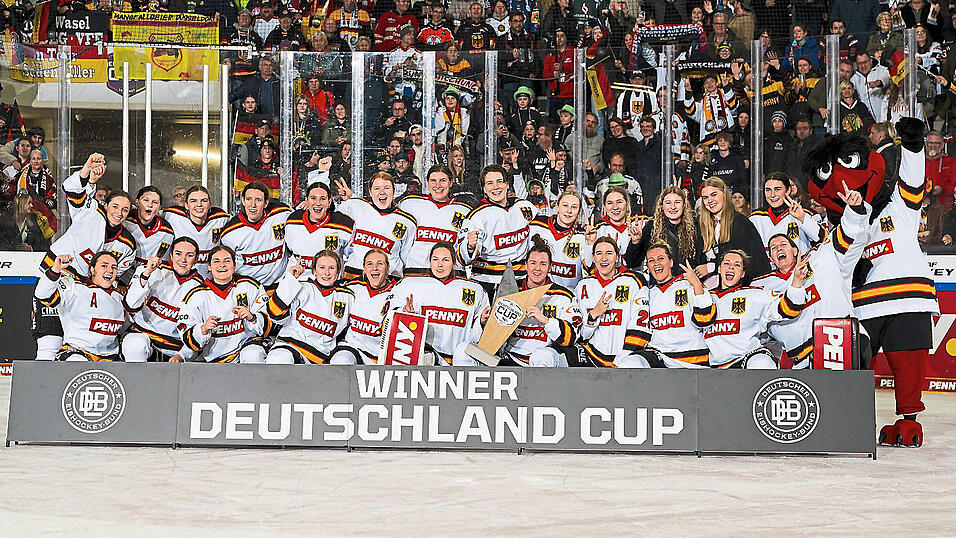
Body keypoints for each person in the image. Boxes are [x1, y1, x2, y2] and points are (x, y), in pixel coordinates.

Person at [753, 182, 872, 367]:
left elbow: (847, 238)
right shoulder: (763, 286)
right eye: (774, 248)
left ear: (795, 250)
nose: (778, 249)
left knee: (848, 395)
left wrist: (854, 211)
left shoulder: (821, 257)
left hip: (842, 341)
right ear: (771, 258)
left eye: (783, 245)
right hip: (802, 360)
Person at [705, 249, 810, 369]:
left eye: (737, 265)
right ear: (719, 269)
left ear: (743, 273)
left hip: (748, 358)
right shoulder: (705, 298)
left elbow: (789, 309)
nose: (731, 267)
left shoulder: (755, 294)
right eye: (726, 263)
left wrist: (796, 281)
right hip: (716, 368)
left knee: (761, 363)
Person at [390, 241, 490, 366]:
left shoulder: (475, 290)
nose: (440, 265)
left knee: (463, 351)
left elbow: (478, 339)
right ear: (429, 261)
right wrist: (405, 316)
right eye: (435, 259)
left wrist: (481, 322)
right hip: (424, 360)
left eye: (445, 260)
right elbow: (388, 324)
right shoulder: (410, 285)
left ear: (454, 263)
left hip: (460, 362)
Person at [179, 245, 271, 364]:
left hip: (248, 345)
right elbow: (187, 335)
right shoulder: (196, 295)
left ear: (234, 265)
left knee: (253, 355)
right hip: (216, 359)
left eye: (227, 261)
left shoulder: (250, 286)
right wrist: (203, 328)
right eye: (216, 261)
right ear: (209, 266)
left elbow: (269, 322)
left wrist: (252, 317)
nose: (222, 265)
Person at [498, 237, 582, 367]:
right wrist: (484, 321)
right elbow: (493, 331)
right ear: (525, 265)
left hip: (545, 356)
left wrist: (546, 321)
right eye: (533, 263)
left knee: (541, 357)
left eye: (543, 264)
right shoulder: (511, 290)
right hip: (511, 355)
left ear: (550, 268)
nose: (537, 268)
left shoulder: (563, 296)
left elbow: (571, 337)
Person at [458, 165, 537, 298]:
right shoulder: (477, 216)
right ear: (484, 188)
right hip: (488, 282)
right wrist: (470, 246)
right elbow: (463, 258)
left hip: (522, 279)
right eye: (490, 183)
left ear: (507, 184)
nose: (495, 187)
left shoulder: (524, 207)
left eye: (499, 181)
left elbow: (543, 232)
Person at [574, 236, 651, 368]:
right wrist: (593, 315)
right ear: (593, 258)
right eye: (599, 253)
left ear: (617, 257)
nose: (604, 258)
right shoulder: (582, 285)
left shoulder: (634, 280)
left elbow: (640, 326)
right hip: (592, 357)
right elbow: (582, 336)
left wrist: (623, 358)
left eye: (609, 253)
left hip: (626, 358)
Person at [122, 238, 204, 363]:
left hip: (174, 348)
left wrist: (182, 355)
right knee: (134, 345)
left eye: (189, 255)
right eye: (178, 253)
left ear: (196, 259)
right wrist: (146, 274)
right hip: (144, 335)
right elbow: (130, 305)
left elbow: (196, 332)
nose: (183, 260)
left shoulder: (202, 288)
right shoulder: (152, 270)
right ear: (171, 255)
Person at [264, 250, 353, 364]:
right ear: (314, 271)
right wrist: (290, 280)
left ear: (338, 272)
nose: (326, 273)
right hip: (289, 347)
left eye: (331, 268)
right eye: (322, 267)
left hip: (319, 357)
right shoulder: (302, 288)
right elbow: (274, 313)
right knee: (278, 359)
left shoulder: (347, 297)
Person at [34, 252, 127, 361]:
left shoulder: (120, 297)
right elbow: (42, 294)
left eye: (114, 267)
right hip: (77, 353)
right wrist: (55, 269)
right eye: (104, 266)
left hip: (111, 358)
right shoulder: (74, 287)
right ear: (92, 269)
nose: (110, 270)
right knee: (77, 361)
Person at [642, 243, 717, 367]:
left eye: (661, 258)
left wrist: (697, 285)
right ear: (648, 267)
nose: (656, 263)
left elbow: (706, 319)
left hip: (693, 361)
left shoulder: (689, 284)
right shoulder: (647, 293)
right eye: (651, 260)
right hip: (661, 361)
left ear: (671, 262)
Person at [334, 171, 418, 279]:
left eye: (386, 188)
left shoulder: (407, 222)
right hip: (353, 277)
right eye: (377, 188)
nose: (382, 192)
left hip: (388, 282)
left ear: (394, 190)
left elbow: (406, 258)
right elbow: (327, 216)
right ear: (370, 192)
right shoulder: (355, 206)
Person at [695, 177, 771, 287]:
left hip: (737, 289)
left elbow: (745, 261)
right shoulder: (700, 224)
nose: (710, 200)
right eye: (705, 197)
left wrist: (710, 267)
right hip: (707, 289)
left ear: (724, 193)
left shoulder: (740, 222)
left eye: (714, 194)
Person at [398, 164, 472, 276]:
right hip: (415, 272)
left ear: (450, 182)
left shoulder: (464, 211)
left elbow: (465, 251)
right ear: (427, 183)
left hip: (450, 276)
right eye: (433, 181)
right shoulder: (410, 204)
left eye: (443, 180)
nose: (438, 185)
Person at [329, 249, 400, 365]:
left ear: (387, 269)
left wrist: (408, 315)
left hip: (380, 357)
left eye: (380, 264)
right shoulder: (353, 287)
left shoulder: (398, 292)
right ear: (364, 269)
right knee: (340, 361)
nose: (375, 268)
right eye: (369, 264)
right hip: (352, 348)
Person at [219, 181, 293, 291]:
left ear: (266, 203)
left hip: (280, 286)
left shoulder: (282, 213)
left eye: (258, 200)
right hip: (249, 289)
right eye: (248, 199)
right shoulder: (229, 232)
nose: (253, 204)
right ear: (243, 201)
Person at [284, 179, 355, 281]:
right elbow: (289, 251)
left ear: (329, 202)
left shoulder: (344, 224)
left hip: (330, 286)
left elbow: (351, 255)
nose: (318, 203)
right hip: (299, 283)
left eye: (322, 199)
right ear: (306, 201)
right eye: (313, 198)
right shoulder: (293, 221)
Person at [625, 186, 699, 270]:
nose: (673, 207)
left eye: (677, 202)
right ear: (662, 206)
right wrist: (636, 242)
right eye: (668, 203)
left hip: (687, 281)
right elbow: (632, 263)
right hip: (661, 282)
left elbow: (699, 261)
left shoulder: (695, 227)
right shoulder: (651, 227)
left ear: (684, 205)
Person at [529, 191, 591, 289]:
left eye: (574, 207)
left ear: (579, 212)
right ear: (557, 207)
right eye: (565, 205)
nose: (569, 211)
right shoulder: (538, 224)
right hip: (537, 292)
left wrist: (590, 244)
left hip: (567, 296)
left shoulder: (583, 234)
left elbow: (590, 270)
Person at [164, 186, 230, 277]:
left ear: (210, 204)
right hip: (182, 281)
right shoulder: (172, 216)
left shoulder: (221, 218)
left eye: (204, 200)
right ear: (186, 205)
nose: (199, 204)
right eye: (193, 201)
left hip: (211, 282)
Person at [749, 173, 824, 252]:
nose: (772, 195)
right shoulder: (755, 217)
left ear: (788, 190)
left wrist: (802, 219)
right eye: (768, 190)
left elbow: (822, 240)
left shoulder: (806, 214)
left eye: (777, 189)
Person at [124, 186, 174, 269]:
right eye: (146, 200)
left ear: (160, 207)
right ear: (137, 202)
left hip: (151, 277)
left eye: (155, 202)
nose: (150, 205)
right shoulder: (125, 220)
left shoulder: (167, 231)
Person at [590, 186, 646, 257]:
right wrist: (590, 243)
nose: (615, 207)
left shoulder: (641, 224)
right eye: (610, 203)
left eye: (619, 202)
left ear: (627, 204)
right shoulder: (598, 230)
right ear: (604, 207)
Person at [683, 73, 738, 144]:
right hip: (709, 141)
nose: (709, 84)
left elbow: (734, 109)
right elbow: (690, 112)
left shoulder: (726, 95)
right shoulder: (702, 101)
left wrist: (726, 87)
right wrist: (688, 92)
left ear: (717, 83)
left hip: (727, 138)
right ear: (704, 86)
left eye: (712, 81)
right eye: (706, 83)